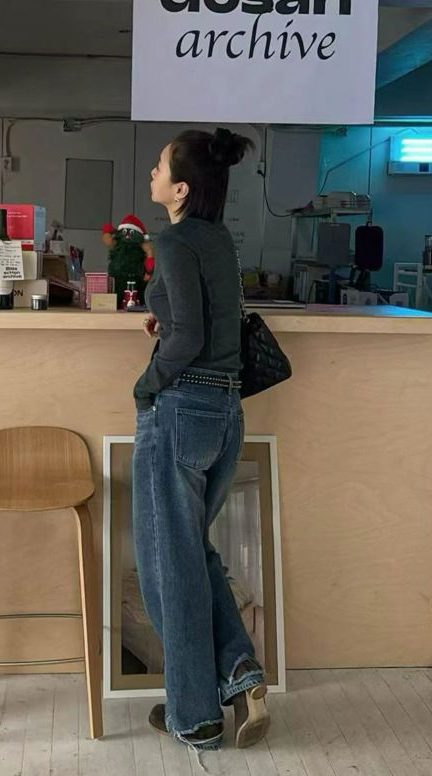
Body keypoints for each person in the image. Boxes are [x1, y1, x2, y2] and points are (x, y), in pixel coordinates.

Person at [132, 127, 270, 759]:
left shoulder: (172, 238)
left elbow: (187, 339)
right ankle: (238, 669)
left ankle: (195, 716)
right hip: (224, 411)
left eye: (160, 166)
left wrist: (145, 386)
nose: (153, 173)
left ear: (181, 188)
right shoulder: (217, 238)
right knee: (193, 553)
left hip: (182, 408)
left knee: (169, 564)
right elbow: (205, 322)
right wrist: (166, 318)